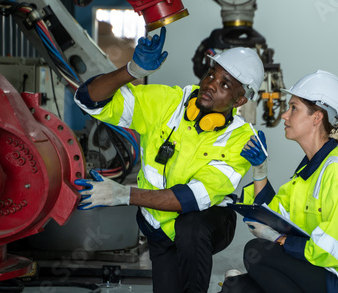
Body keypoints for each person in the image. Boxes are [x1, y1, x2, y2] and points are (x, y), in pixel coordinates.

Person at [73, 26, 265, 293]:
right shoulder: (169, 102)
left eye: (225, 84)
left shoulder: (241, 139)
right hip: (157, 227)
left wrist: (123, 194)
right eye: (212, 74)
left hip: (207, 223)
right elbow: (89, 100)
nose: (210, 84)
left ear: (239, 99)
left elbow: (190, 199)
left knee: (191, 225)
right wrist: (132, 71)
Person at [221, 70, 338, 293]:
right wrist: (260, 171)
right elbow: (275, 215)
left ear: (317, 117)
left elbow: (336, 249)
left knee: (258, 252)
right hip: (320, 272)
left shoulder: (337, 172)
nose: (285, 116)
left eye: (294, 108)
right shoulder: (305, 175)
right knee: (236, 288)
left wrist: (279, 240)